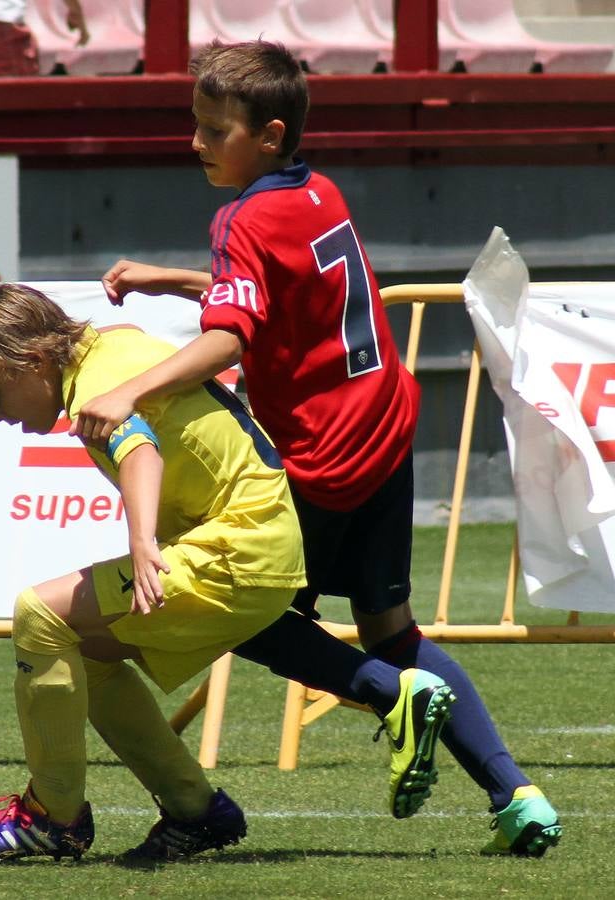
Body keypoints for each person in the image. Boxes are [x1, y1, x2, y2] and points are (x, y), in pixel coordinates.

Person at [70, 40, 562, 858]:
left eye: (212, 129)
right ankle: (517, 795)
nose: (194, 142)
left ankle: (389, 698)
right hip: (384, 426)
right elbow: (279, 293)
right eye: (193, 124)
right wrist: (176, 278)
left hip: (321, 456)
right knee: (391, 625)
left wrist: (131, 390)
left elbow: (231, 335)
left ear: (266, 134)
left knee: (246, 616)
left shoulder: (239, 217)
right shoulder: (316, 191)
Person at [0, 282, 455, 863]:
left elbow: (138, 448)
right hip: (265, 540)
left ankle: (54, 816)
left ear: (30, 361)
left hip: (236, 549)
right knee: (87, 651)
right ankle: (195, 810)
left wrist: (141, 539)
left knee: (38, 614)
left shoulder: (96, 390)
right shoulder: (112, 346)